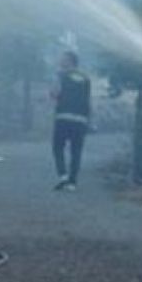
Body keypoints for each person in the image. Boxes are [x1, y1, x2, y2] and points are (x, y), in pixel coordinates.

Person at [50, 51, 91, 192]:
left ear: (70, 61)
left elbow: (55, 94)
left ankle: (63, 175)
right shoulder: (86, 78)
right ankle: (72, 183)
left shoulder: (60, 75)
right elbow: (87, 99)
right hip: (81, 119)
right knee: (76, 151)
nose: (60, 61)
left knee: (58, 147)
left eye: (63, 59)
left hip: (63, 116)